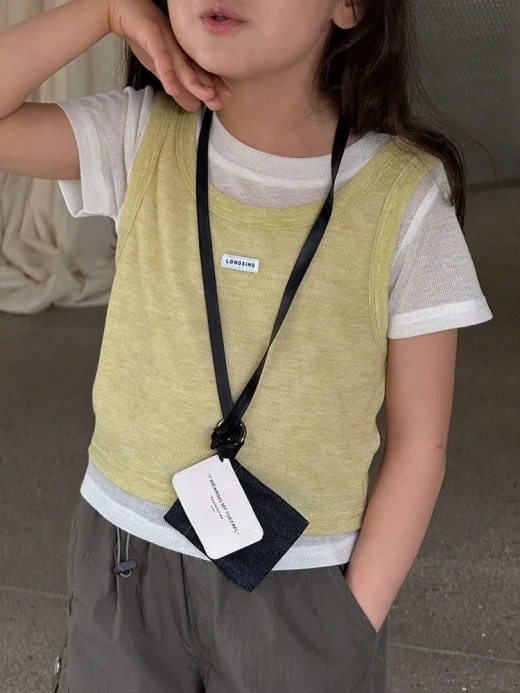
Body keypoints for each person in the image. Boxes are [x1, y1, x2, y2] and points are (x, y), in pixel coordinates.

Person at [0, 0, 493, 691]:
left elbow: (421, 443)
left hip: (302, 587)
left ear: (350, 7)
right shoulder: (139, 137)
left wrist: (350, 620)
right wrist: (105, 12)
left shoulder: (403, 198)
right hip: (127, 565)